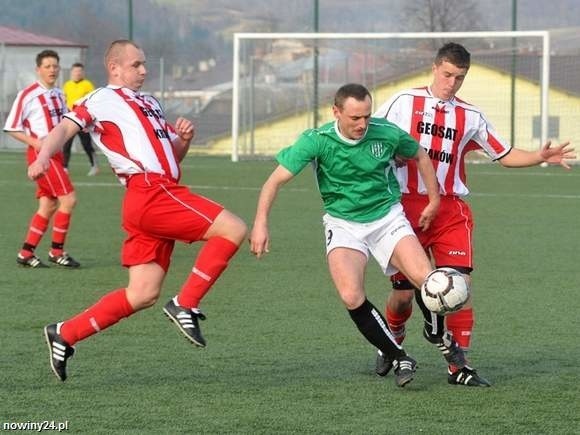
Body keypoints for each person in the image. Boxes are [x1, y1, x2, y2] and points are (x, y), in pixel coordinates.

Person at [28, 40, 247, 382]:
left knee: (142, 293)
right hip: (150, 192)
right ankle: (185, 303)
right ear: (114, 68)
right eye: (136, 65)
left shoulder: (150, 103)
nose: (144, 70)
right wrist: (44, 155)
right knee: (233, 228)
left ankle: (65, 334)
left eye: (144, 64)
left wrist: (183, 141)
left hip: (155, 193)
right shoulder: (101, 99)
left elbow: (170, 159)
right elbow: (65, 128)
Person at [373, 42, 575, 386]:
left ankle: (458, 366)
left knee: (459, 288)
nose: (452, 83)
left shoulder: (471, 116)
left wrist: (540, 156)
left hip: (450, 209)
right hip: (403, 209)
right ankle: (393, 337)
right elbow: (373, 140)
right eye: (448, 74)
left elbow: (504, 153)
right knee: (405, 296)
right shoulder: (402, 102)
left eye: (460, 77)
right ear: (435, 68)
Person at [249, 83, 454, 388]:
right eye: (355, 118)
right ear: (336, 112)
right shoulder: (316, 140)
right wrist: (260, 223)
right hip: (343, 223)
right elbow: (273, 181)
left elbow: (420, 155)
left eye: (367, 117)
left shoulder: (385, 132)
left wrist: (434, 199)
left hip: (387, 218)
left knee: (428, 281)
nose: (363, 124)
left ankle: (434, 330)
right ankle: (398, 355)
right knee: (350, 295)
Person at [4, 49, 80, 269]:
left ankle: (26, 253)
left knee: (48, 205)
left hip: (55, 154)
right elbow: (11, 127)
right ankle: (57, 251)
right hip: (40, 154)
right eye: (47, 66)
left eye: (55, 66)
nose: (52, 70)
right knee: (69, 199)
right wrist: (37, 144)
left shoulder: (58, 94)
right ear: (38, 70)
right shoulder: (27, 95)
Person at [62, 62, 99, 176]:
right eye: (75, 71)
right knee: (66, 143)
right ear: (72, 72)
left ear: (82, 73)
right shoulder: (67, 85)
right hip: (70, 118)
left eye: (79, 71)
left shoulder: (87, 85)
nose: (77, 73)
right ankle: (65, 167)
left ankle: (94, 165)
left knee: (86, 144)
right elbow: (65, 99)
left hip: (83, 119)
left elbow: (92, 101)